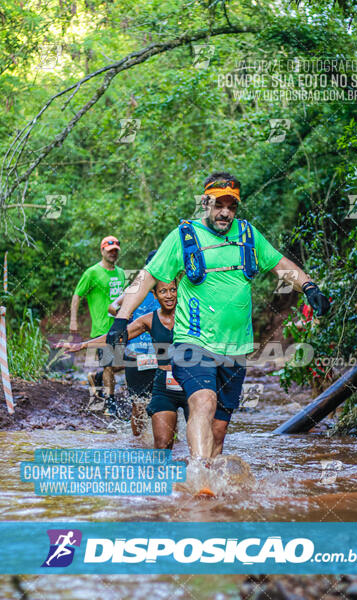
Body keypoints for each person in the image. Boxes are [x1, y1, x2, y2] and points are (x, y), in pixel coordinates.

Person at [106, 172, 331, 459]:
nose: (225, 212)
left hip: (235, 348)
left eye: (232, 206)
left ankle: (209, 489)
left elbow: (280, 264)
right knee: (203, 402)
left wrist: (310, 286)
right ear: (206, 203)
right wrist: (121, 319)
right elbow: (146, 277)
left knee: (219, 431)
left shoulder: (249, 235)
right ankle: (199, 474)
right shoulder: (183, 237)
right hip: (193, 342)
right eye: (218, 205)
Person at [64, 279, 188, 449]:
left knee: (198, 441)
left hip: (189, 381)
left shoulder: (189, 315)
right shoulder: (148, 319)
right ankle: (141, 449)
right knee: (162, 443)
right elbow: (117, 336)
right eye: (163, 291)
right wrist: (83, 345)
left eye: (173, 290)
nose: (169, 295)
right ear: (155, 295)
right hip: (161, 383)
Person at [70, 235, 125, 415]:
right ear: (102, 251)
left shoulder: (121, 273)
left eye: (115, 251)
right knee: (109, 364)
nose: (113, 254)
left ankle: (97, 377)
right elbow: (77, 295)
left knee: (121, 363)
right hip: (101, 329)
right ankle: (110, 403)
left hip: (119, 327)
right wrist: (73, 321)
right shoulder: (92, 273)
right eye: (109, 251)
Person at [108, 250, 160, 431]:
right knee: (147, 404)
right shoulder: (168, 290)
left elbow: (112, 307)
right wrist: (127, 318)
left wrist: (125, 315)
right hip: (143, 354)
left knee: (150, 404)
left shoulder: (169, 290)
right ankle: (142, 442)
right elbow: (112, 308)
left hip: (152, 354)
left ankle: (141, 443)